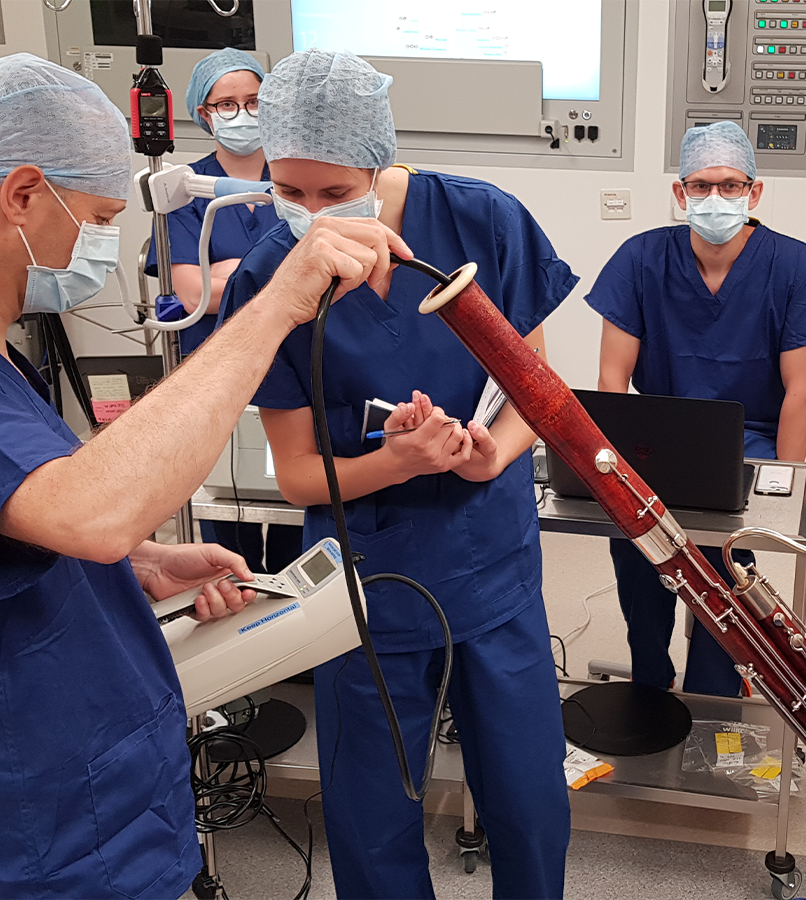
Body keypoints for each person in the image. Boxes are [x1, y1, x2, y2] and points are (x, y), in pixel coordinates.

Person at [0, 54, 407, 899]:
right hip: (33, 838)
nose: (106, 246)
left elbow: (12, 519)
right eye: (103, 216)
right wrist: (278, 303)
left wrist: (138, 565)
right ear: (24, 194)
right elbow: (90, 509)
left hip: (91, 805)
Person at [219, 49, 575, 900]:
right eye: (289, 192)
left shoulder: (483, 221)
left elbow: (538, 388)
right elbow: (301, 476)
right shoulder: (274, 275)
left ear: (379, 162)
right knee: (371, 818)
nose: (313, 216)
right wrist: (394, 460)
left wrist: (500, 446)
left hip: (492, 562)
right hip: (365, 585)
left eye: (336, 194)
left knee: (528, 797)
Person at [585, 120, 806, 697]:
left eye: (730, 185)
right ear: (680, 194)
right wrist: (606, 466)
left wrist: (787, 484)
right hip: (653, 437)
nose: (715, 198)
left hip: (745, 445)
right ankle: (651, 678)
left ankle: (715, 690)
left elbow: (801, 391)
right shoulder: (640, 258)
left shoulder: (795, 266)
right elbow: (612, 378)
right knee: (639, 560)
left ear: (754, 192)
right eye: (700, 185)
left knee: (720, 574)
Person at [144, 47, 301, 575]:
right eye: (226, 104)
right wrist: (270, 279)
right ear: (204, 113)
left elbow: (316, 275)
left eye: (254, 101)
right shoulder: (184, 191)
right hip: (215, 366)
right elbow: (191, 295)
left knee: (291, 511)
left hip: (291, 361)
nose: (242, 113)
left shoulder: (294, 179)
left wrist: (227, 274)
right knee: (223, 511)